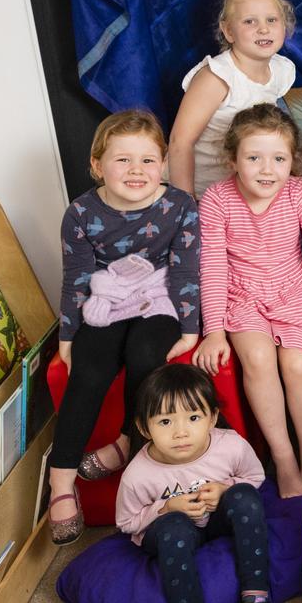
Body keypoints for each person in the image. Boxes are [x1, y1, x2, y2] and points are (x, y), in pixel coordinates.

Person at [193, 104, 302, 499]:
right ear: (232, 160)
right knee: (257, 359)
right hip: (242, 293)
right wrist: (215, 331)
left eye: (278, 158)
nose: (266, 169)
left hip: (294, 287)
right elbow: (213, 267)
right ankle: (284, 458)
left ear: (293, 161)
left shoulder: (298, 192)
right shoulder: (217, 199)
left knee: (295, 363)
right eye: (253, 158)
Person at [49, 110, 201, 547]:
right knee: (90, 370)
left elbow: (187, 270)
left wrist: (190, 329)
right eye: (123, 161)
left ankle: (125, 444)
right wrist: (67, 335)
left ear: (164, 165)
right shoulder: (80, 212)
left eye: (148, 161)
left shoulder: (179, 206)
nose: (137, 171)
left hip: (158, 298)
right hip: (108, 300)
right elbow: (76, 275)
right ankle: (61, 482)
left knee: (144, 356)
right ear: (97, 165)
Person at [115, 364, 272, 603]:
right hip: (171, 531)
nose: (181, 432)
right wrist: (165, 507)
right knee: (174, 530)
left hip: (215, 520)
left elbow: (255, 478)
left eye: (193, 418)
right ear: (144, 428)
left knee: (244, 497)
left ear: (212, 418)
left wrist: (225, 491)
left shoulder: (231, 444)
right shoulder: (138, 473)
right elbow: (126, 523)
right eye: (165, 421)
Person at [169, 0, 297, 198]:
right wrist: (186, 205)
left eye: (272, 20)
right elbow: (180, 142)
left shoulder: (281, 70)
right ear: (228, 31)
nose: (263, 29)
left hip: (242, 190)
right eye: (250, 22)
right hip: (200, 189)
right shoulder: (217, 77)